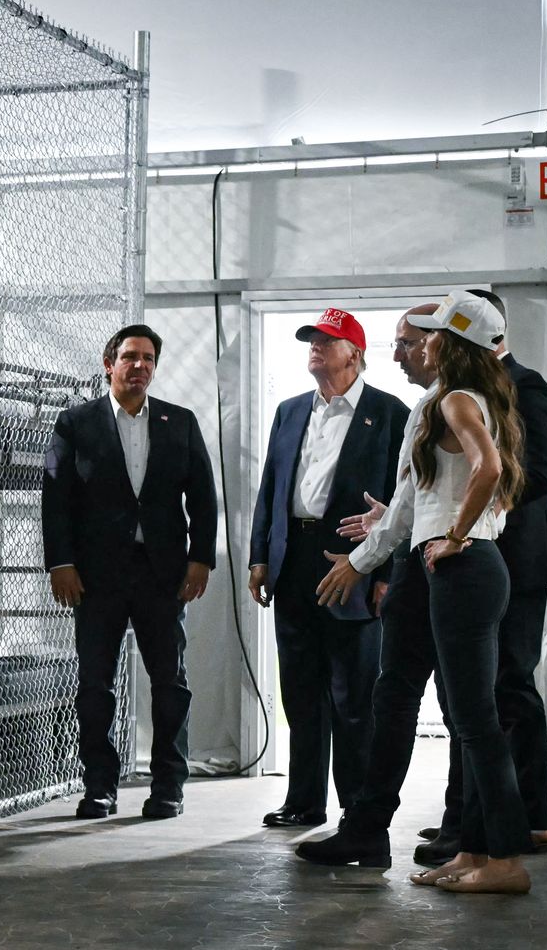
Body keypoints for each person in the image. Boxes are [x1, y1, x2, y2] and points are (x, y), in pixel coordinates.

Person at [309, 291, 532, 894]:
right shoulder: (474, 398)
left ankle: (506, 861)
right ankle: (477, 852)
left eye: (428, 335)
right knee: (469, 717)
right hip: (463, 567)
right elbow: (438, 494)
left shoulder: (457, 399)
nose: (418, 343)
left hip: (462, 570)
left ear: (452, 345)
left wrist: (454, 535)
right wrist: (435, 525)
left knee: (476, 721)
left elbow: (485, 470)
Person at [42, 323, 217, 820]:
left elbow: (203, 497)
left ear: (155, 368)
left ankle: (168, 788)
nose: (139, 366)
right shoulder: (74, 424)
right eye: (129, 357)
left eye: (148, 359)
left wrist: (200, 558)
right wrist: (62, 563)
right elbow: (55, 501)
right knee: (95, 684)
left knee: (171, 682)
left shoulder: (179, 422)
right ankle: (99, 786)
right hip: (95, 577)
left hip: (163, 574)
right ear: (109, 364)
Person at [417, 288, 547, 861]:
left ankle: (529, 821)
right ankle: (468, 820)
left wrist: (473, 521)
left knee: (508, 688)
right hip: (478, 553)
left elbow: (538, 473)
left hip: (515, 558)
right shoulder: (456, 392)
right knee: (471, 696)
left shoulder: (523, 383)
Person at [247, 307, 409, 828]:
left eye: (327, 341)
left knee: (353, 694)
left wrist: (384, 573)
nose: (315, 348)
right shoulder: (291, 410)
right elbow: (271, 488)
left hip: (353, 563)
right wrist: (259, 557)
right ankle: (303, 800)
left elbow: (403, 500)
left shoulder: (389, 414)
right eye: (311, 340)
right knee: (300, 688)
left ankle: (357, 808)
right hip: (293, 559)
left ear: (354, 355)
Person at [294, 304, 439, 869]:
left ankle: (483, 839)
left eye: (406, 344)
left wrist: (372, 563)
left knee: (425, 706)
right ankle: (362, 825)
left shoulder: (428, 406)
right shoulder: (435, 403)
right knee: (395, 698)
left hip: (432, 569)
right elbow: (409, 503)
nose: (396, 353)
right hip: (386, 564)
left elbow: (484, 481)